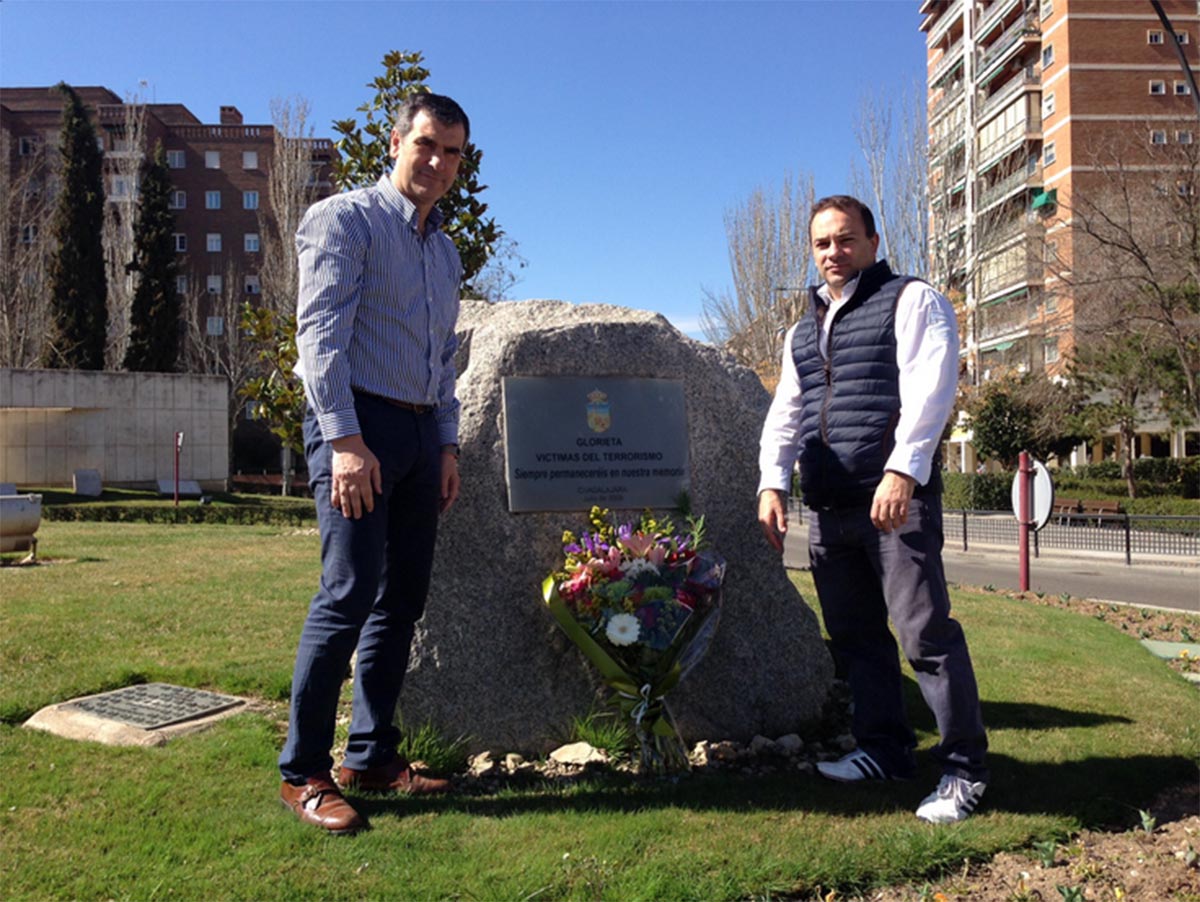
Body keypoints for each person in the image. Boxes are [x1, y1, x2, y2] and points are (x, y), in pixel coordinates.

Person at [757, 195, 989, 824]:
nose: (834, 252)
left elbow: (931, 390)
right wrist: (772, 483)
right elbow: (789, 412)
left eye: (846, 239)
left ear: (873, 241)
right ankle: (883, 751)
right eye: (822, 243)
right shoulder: (802, 327)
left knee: (926, 637)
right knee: (858, 640)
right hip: (831, 510)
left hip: (893, 505)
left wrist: (902, 471)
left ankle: (964, 771)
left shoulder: (912, 301)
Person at [278, 93, 469, 835]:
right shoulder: (344, 220)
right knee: (347, 594)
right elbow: (318, 340)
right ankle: (303, 772)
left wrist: (447, 444)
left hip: (421, 435)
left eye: (453, 152)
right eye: (426, 144)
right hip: (357, 425)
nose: (438, 163)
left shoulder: (444, 249)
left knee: (403, 599)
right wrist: (346, 442)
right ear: (396, 142)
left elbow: (443, 357)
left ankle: (372, 754)